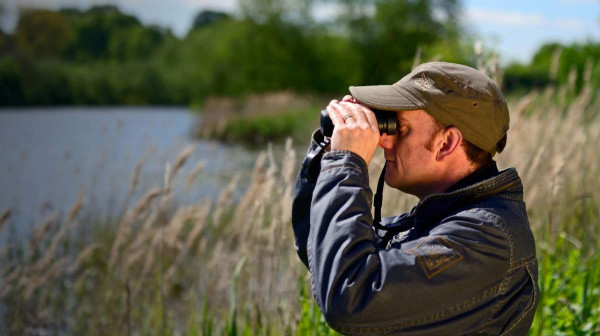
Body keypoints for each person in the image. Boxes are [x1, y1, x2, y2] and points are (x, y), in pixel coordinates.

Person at [291, 62, 539, 335]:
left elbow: (350, 296)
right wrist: (326, 153)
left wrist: (346, 163)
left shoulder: (487, 236)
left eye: (401, 128)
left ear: (446, 143)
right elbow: (325, 252)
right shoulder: (440, 217)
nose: (385, 141)